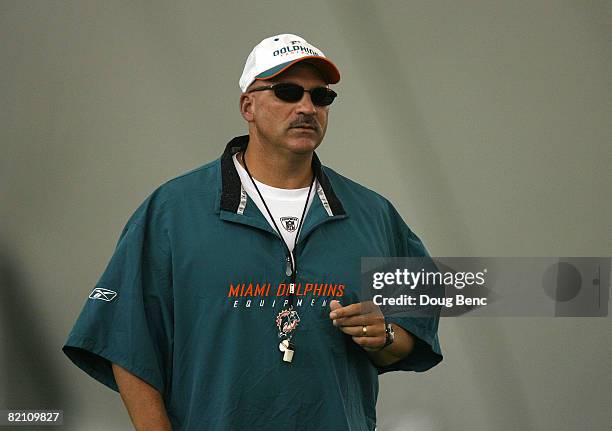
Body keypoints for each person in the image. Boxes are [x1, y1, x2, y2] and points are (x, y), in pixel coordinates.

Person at [63, 33, 443, 431]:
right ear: (248, 105)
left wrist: (381, 333)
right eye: (287, 92)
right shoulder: (173, 210)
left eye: (320, 97)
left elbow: (411, 335)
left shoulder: (372, 213)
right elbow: (126, 341)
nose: (307, 108)